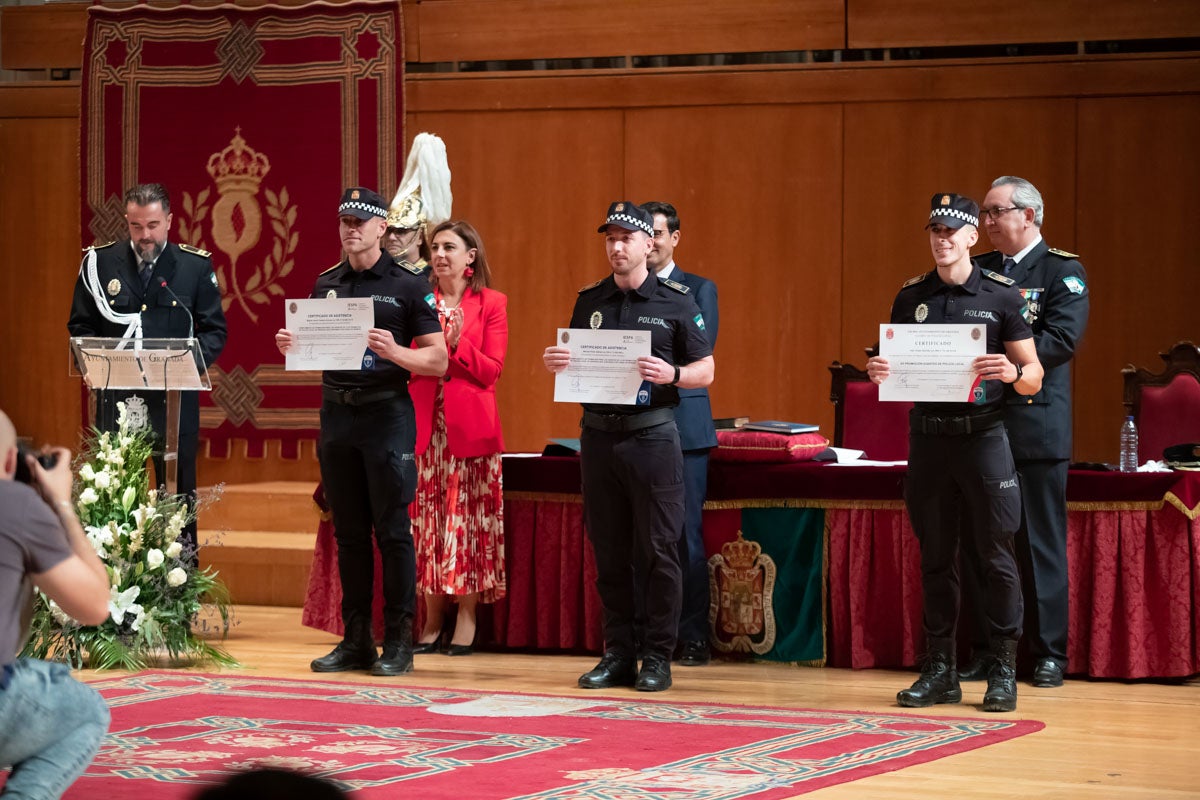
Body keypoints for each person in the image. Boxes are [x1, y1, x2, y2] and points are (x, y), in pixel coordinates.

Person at [867, 193, 1043, 713]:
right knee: (936, 557)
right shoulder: (910, 297)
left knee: (995, 555)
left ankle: (1003, 670)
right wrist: (881, 371)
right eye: (934, 231)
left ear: (971, 237)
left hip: (983, 437)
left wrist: (1013, 374)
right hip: (928, 439)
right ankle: (939, 669)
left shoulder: (1003, 297)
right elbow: (894, 365)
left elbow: (1033, 373)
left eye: (951, 231)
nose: (941, 239)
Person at [275, 187, 447, 677]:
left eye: (361, 221)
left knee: (392, 532)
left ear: (381, 229)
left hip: (385, 415)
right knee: (348, 534)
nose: (351, 229)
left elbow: (437, 359)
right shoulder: (325, 282)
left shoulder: (409, 285)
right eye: (344, 221)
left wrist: (396, 353)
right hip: (337, 415)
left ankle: (398, 641)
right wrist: (294, 343)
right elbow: (315, 353)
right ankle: (355, 640)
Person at [543, 201, 714, 692]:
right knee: (610, 550)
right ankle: (618, 652)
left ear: (648, 244)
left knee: (660, 549)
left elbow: (706, 367)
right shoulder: (589, 300)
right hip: (598, 435)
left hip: (653, 435)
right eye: (610, 239)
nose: (616, 247)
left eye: (626, 239)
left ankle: (658, 656)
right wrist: (561, 362)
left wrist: (675, 375)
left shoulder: (678, 300)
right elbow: (578, 362)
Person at [956, 176, 1090, 689]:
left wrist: (1006, 358)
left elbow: (1060, 340)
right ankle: (991, 651)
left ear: (1028, 215)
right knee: (981, 542)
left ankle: (1048, 652)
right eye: (984, 214)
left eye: (994, 212)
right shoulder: (980, 271)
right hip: (979, 423)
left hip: (1034, 426)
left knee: (1038, 545)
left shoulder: (1062, 270)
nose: (984, 222)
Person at [67, 182, 228, 558]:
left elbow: (214, 331)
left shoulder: (192, 266)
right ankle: (117, 585)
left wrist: (186, 368)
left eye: (153, 225)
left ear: (170, 221)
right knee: (116, 495)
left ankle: (180, 586)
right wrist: (88, 365)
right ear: (127, 221)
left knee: (179, 499)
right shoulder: (100, 263)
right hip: (117, 401)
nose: (146, 236)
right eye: (137, 226)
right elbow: (80, 328)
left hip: (174, 403)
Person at [0, 409, 111, 797]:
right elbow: (95, 606)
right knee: (84, 712)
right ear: (12, 460)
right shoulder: (12, 502)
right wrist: (61, 503)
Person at [410, 220, 508, 656]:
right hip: (424, 429)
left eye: (450, 246)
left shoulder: (491, 303)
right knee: (428, 523)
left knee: (465, 524)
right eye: (434, 247)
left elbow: (491, 371)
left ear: (471, 256)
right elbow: (405, 358)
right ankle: (433, 616)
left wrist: (456, 346)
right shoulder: (417, 300)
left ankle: (467, 615)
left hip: (471, 431)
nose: (440, 254)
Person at [641, 201, 718, 667]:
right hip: (630, 422)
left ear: (674, 238)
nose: (649, 243)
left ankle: (691, 635)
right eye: (642, 235)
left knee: (683, 536)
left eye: (657, 234)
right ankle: (645, 635)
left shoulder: (697, 289)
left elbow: (700, 354)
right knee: (639, 537)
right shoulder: (617, 292)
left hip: (683, 427)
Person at [383, 133, 453, 273]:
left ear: (420, 237)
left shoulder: (435, 279)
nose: (391, 237)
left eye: (401, 231)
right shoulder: (377, 276)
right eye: (389, 230)